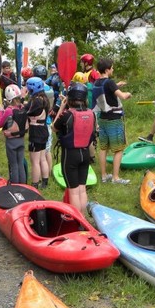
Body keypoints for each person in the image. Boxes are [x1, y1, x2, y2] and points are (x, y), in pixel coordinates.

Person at [53, 82, 96, 214]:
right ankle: (82, 218)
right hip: (85, 153)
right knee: (82, 189)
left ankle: (77, 219)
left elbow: (54, 127)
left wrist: (62, 107)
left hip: (70, 155)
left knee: (73, 191)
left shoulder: (67, 115)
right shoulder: (91, 114)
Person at [93, 57, 132, 184]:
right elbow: (123, 96)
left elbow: (107, 91)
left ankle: (104, 176)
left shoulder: (96, 83)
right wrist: (127, 94)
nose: (113, 69)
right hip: (114, 119)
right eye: (112, 67)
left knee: (103, 148)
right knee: (118, 149)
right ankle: (116, 178)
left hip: (102, 119)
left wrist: (117, 85)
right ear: (107, 70)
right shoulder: (110, 82)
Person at [0, 83, 27, 184]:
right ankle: (22, 185)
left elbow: (0, 123)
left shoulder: (8, 111)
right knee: (20, 163)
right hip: (21, 139)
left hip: (11, 141)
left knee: (13, 164)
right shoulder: (23, 107)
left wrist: (1, 111)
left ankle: (15, 186)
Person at [24, 76, 50, 188]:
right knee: (42, 158)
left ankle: (34, 184)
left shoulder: (36, 101)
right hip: (43, 130)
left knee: (35, 161)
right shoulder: (44, 98)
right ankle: (45, 181)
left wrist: (21, 98)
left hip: (36, 132)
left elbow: (25, 111)